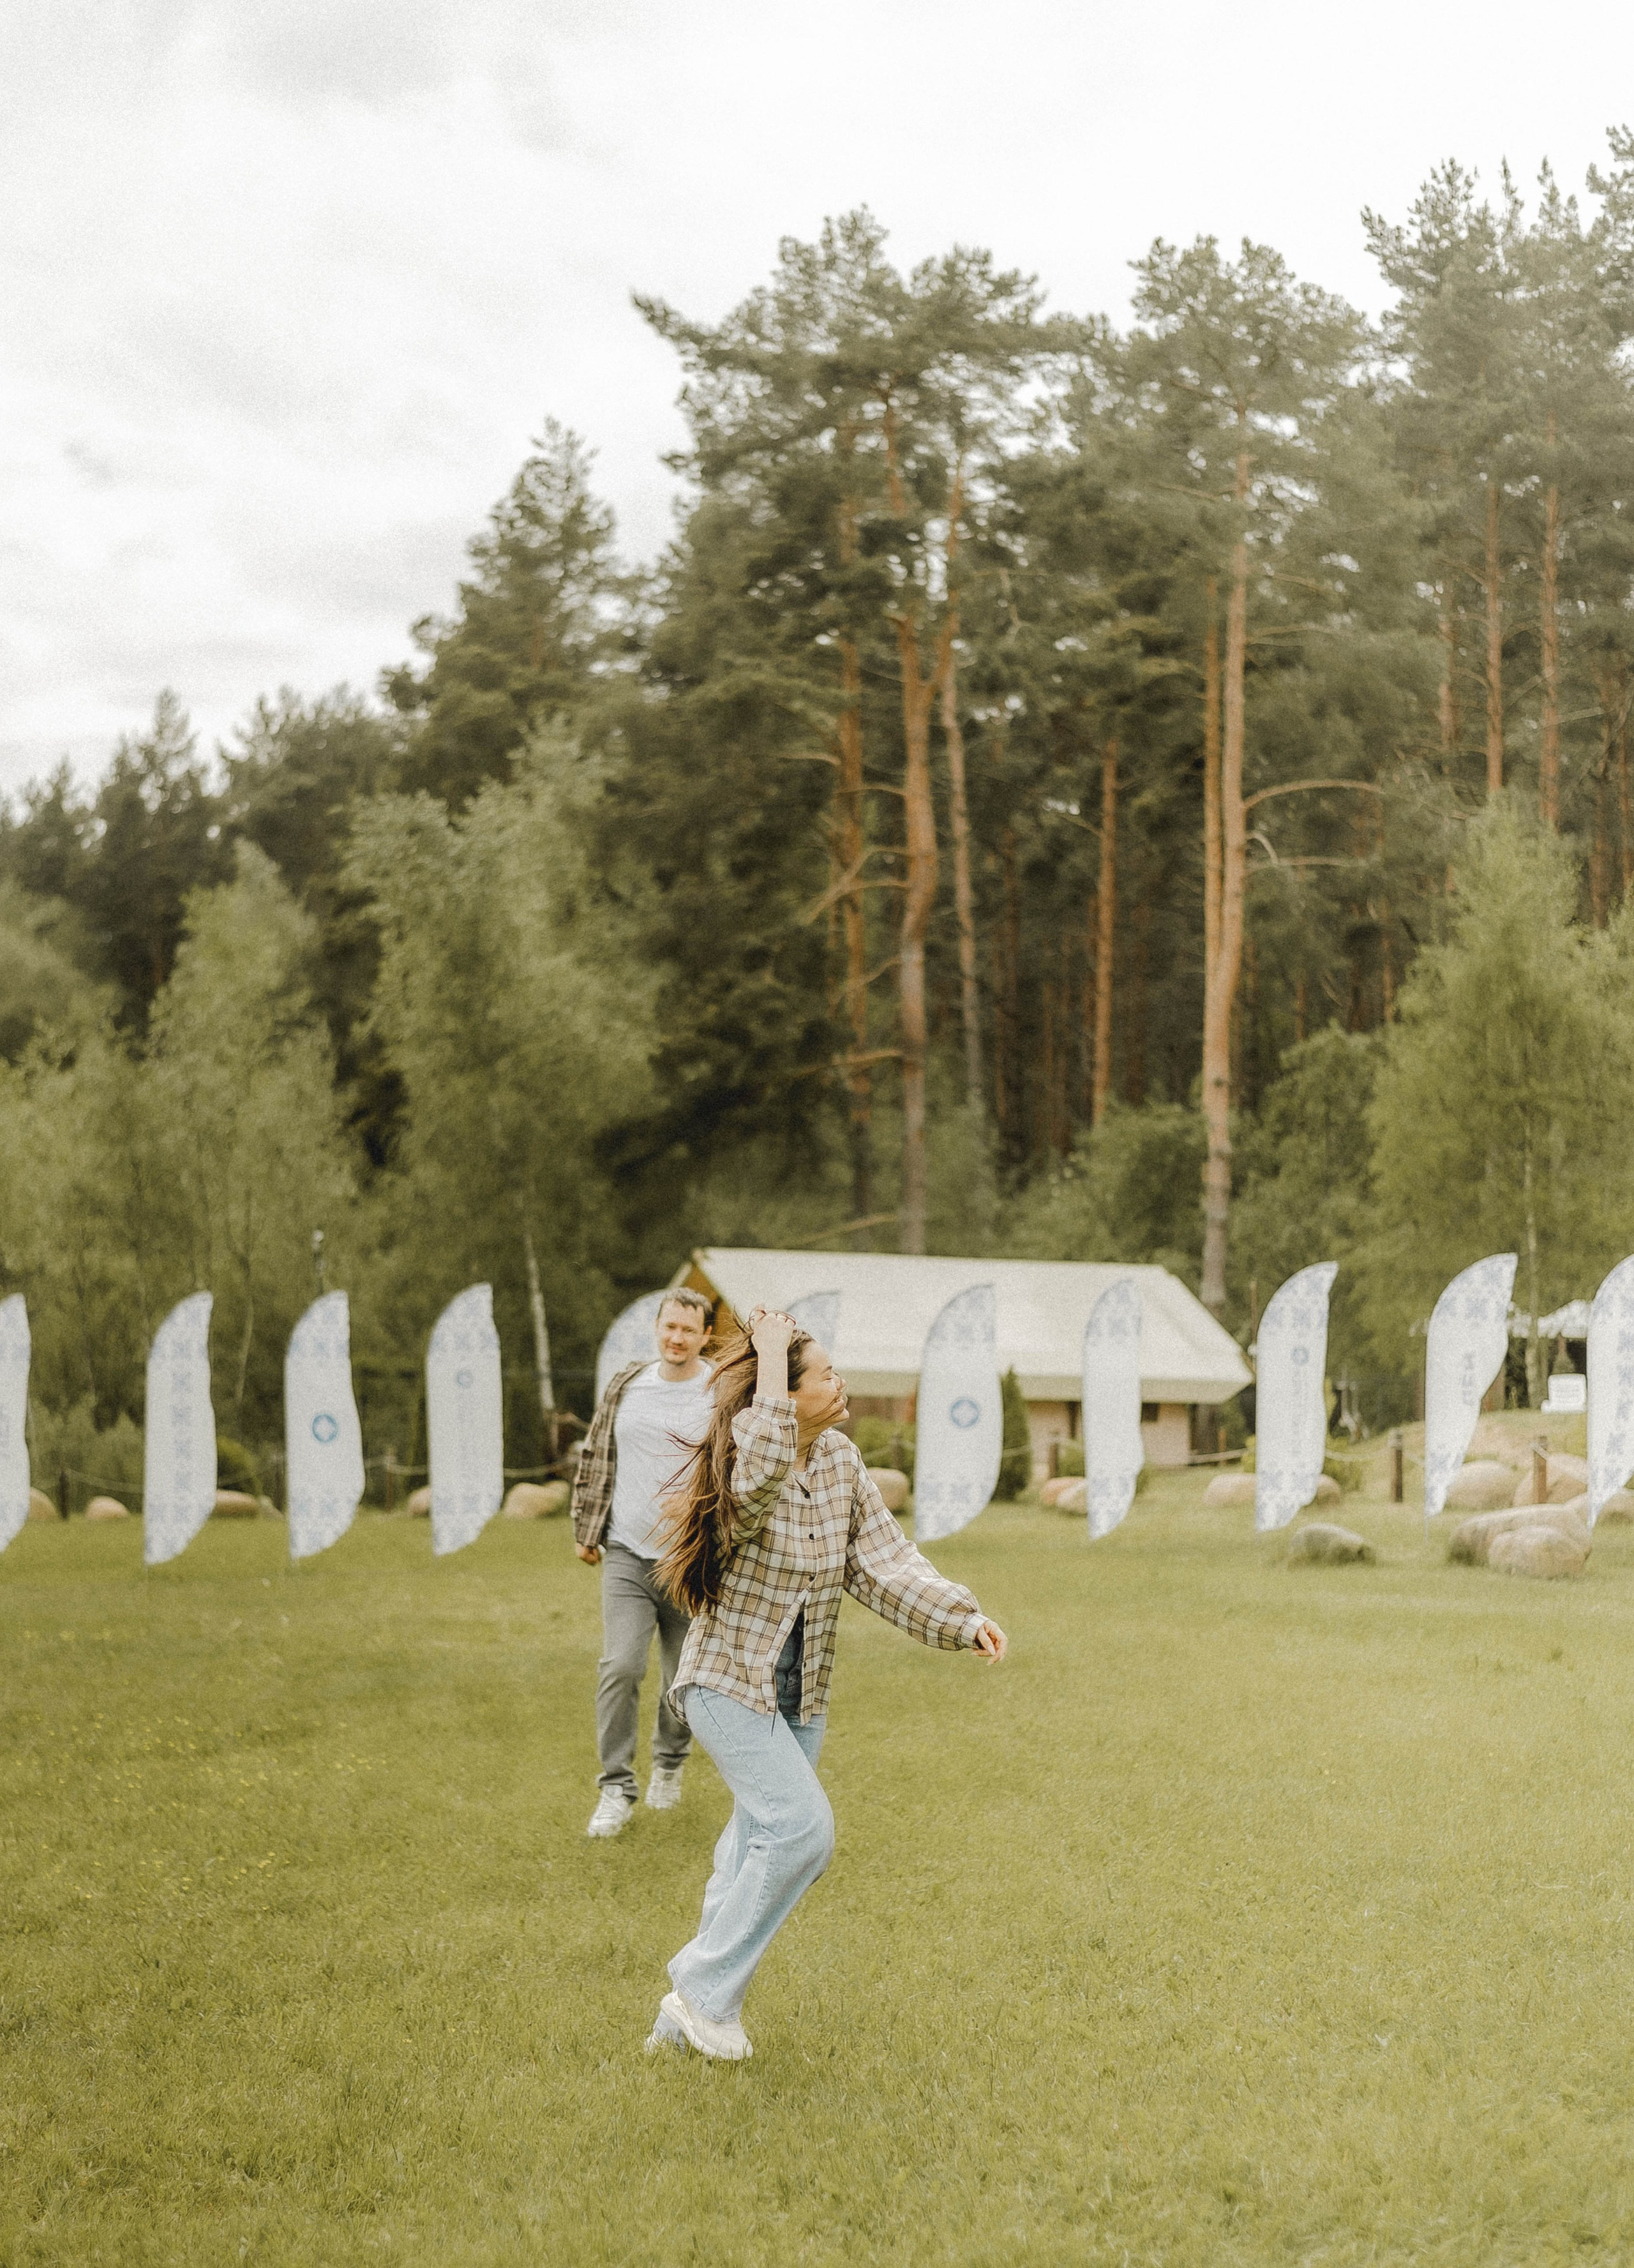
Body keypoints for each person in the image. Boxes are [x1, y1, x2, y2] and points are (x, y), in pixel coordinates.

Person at [645, 1306, 1007, 2062]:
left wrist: (961, 1618)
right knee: (802, 1830)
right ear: (784, 1390)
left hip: (798, 1696)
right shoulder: (753, 1454)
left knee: (749, 1852)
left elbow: (882, 1561)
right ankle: (704, 1994)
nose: (839, 1382)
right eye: (825, 1373)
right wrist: (772, 1354)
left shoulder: (841, 1461)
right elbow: (768, 1467)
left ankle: (677, 2027)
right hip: (726, 1683)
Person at [571, 1288, 716, 1838]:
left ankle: (670, 1768)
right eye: (669, 1326)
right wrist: (586, 1529)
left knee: (683, 1680)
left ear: (705, 1335)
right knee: (622, 1665)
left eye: (688, 1329)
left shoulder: (720, 1391)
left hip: (689, 1560)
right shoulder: (627, 1384)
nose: (677, 1338)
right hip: (628, 1552)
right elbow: (596, 1453)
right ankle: (614, 1787)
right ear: (657, 1328)